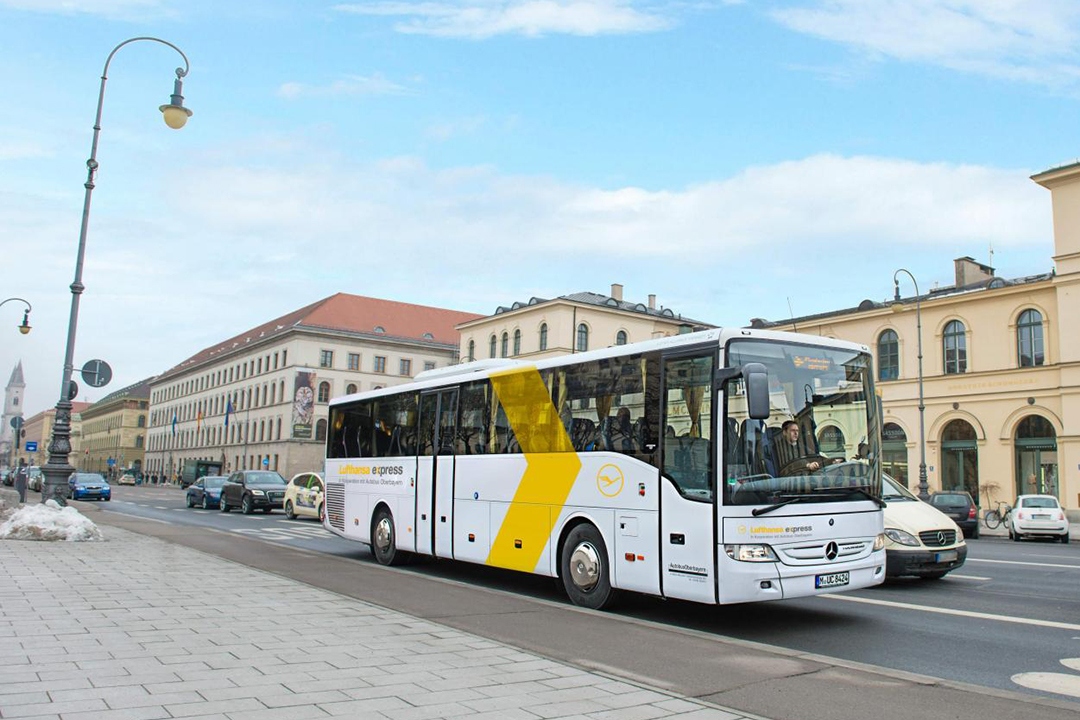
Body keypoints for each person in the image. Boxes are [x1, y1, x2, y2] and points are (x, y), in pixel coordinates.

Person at [774, 420, 840, 476]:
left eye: (797, 431)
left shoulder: (800, 445)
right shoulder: (780, 447)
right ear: (785, 432)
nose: (796, 433)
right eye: (792, 430)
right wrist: (808, 465)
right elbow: (793, 461)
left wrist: (831, 461)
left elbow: (813, 456)